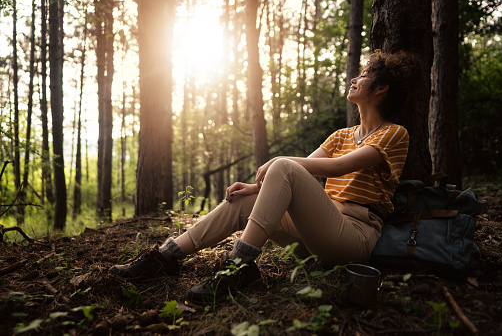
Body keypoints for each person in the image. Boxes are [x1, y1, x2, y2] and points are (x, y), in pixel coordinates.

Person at [109, 50, 421, 304]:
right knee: (244, 200)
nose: (355, 78)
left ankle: (239, 266)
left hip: (352, 236)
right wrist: (255, 187)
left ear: (381, 90)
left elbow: (334, 168)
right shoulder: (341, 135)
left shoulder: (395, 134)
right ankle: (166, 257)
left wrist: (278, 162)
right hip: (317, 228)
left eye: (365, 75)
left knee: (284, 165)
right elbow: (301, 172)